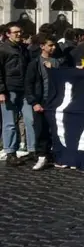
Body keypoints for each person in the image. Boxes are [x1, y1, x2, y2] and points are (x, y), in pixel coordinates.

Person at [0, 22, 34, 166]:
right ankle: (10, 152)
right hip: (9, 89)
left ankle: (32, 150)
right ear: (8, 34)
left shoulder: (24, 48)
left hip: (24, 89)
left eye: (20, 31)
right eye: (15, 32)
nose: (19, 34)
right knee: (10, 123)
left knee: (30, 120)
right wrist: (1, 91)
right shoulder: (2, 49)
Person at [24, 34, 59, 170]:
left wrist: (53, 71)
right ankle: (42, 156)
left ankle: (54, 155)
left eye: (54, 45)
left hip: (55, 101)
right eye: (50, 45)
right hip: (41, 100)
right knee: (41, 129)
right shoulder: (35, 63)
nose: (53, 48)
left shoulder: (58, 62)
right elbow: (29, 84)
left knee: (55, 130)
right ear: (42, 46)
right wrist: (34, 102)